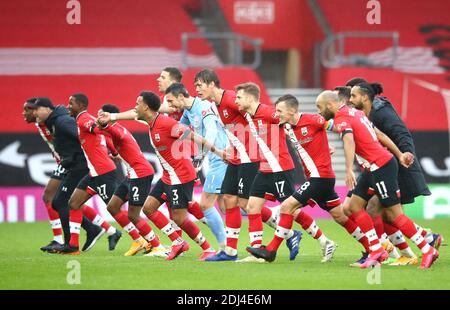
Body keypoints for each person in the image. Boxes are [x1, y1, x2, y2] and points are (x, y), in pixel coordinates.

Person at [98, 91, 228, 260]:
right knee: (149, 208)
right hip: (168, 175)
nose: (135, 107)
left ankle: (207, 248)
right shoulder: (150, 121)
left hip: (180, 175)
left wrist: (218, 152)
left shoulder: (165, 123)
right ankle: (177, 242)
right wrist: (113, 117)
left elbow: (193, 136)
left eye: (138, 104)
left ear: (146, 107)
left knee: (179, 218)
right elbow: (131, 114)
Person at [316, 90, 439, 269]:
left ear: (330, 105)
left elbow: (348, 141)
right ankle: (376, 249)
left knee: (393, 215)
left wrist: (349, 169)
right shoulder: (355, 113)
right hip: (373, 167)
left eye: (319, 107)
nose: (318, 111)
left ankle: (427, 249)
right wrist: (398, 154)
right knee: (352, 206)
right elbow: (379, 135)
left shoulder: (344, 119)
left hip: (381, 166)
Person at [247, 94, 370, 263]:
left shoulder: (314, 120)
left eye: (280, 111)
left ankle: (271, 250)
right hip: (321, 179)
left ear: (291, 111)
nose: (277, 114)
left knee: (287, 206)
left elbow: (344, 129)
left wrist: (351, 156)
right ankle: (373, 248)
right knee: (340, 216)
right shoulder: (287, 126)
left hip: (320, 177)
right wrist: (326, 146)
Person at [194, 70, 287, 262]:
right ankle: (230, 251)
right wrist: (232, 147)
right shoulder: (217, 104)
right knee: (229, 199)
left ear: (212, 84)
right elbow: (238, 127)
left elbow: (261, 114)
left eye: (199, 85)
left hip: (250, 156)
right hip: (237, 157)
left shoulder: (230, 100)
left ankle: (268, 243)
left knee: (247, 203)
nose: (197, 89)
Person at [233, 85, 333, 262]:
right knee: (251, 207)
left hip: (281, 168)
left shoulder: (269, 113)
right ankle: (256, 252)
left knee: (291, 210)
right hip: (265, 169)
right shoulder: (249, 114)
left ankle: (324, 240)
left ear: (250, 99)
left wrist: (322, 143)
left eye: (239, 97)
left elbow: (290, 119)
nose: (235, 101)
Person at [30, 97, 108, 253]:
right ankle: (86, 234)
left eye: (36, 109)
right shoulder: (54, 121)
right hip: (75, 165)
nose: (34, 112)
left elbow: (83, 136)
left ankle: (72, 243)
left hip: (79, 165)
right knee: (64, 202)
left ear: (47, 109)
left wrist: (74, 157)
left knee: (61, 202)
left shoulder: (62, 122)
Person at [96, 104, 168, 257]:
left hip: (140, 173)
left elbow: (119, 135)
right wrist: (118, 156)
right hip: (131, 174)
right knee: (113, 207)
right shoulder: (115, 130)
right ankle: (139, 240)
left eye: (103, 115)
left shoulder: (116, 130)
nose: (100, 117)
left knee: (133, 215)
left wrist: (105, 125)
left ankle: (157, 246)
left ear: (110, 116)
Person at [164, 83, 227, 255]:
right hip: (217, 157)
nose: (170, 106)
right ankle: (281, 224)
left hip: (220, 158)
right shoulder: (187, 112)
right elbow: (177, 130)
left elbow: (212, 130)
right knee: (229, 204)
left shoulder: (203, 106)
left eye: (170, 101)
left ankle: (224, 248)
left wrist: (203, 154)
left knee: (206, 204)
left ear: (181, 97)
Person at [59, 94, 122, 254]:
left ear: (80, 105)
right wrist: (114, 152)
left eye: (71, 103)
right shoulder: (84, 119)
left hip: (103, 172)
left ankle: (144, 239)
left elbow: (97, 129)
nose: (68, 106)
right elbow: (102, 135)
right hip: (94, 173)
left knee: (114, 209)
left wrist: (101, 128)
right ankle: (73, 246)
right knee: (73, 203)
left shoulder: (83, 119)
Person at [23, 98, 64, 251]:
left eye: (29, 109)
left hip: (70, 163)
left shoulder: (56, 121)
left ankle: (60, 239)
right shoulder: (42, 123)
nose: (25, 113)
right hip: (64, 162)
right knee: (69, 200)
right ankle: (108, 230)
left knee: (51, 197)